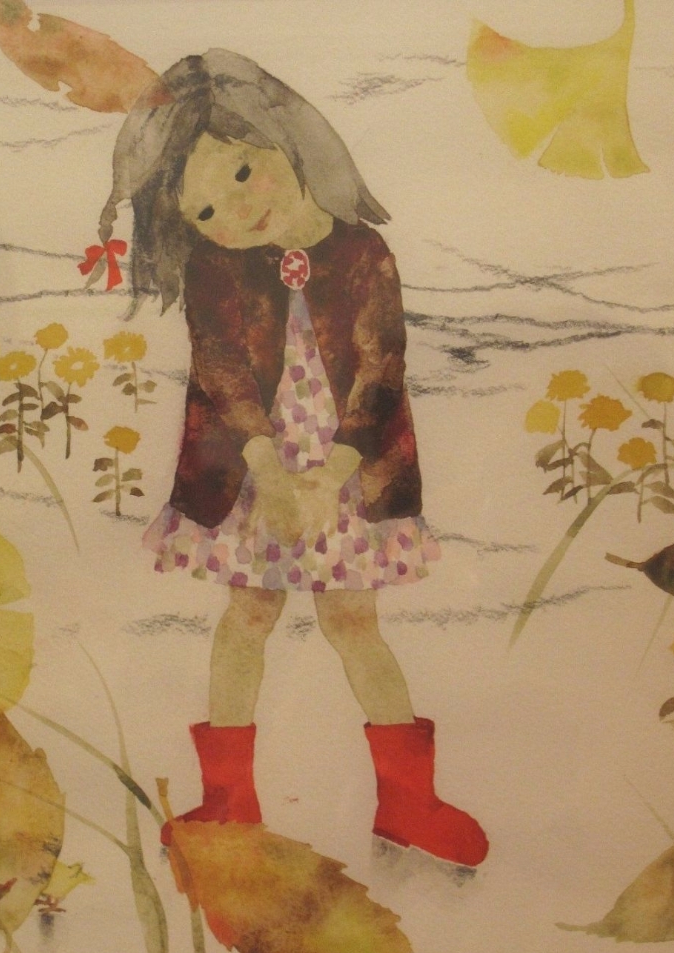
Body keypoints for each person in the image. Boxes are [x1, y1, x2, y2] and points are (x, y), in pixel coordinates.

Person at [97, 49, 487, 867]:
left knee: (353, 621)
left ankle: (409, 804)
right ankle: (227, 803)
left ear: (287, 138)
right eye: (206, 209)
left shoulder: (364, 253)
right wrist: (272, 475)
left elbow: (381, 367)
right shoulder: (214, 267)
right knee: (249, 615)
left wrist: (329, 477)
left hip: (349, 472)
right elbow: (220, 369)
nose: (236, 211)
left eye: (243, 172)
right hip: (251, 474)